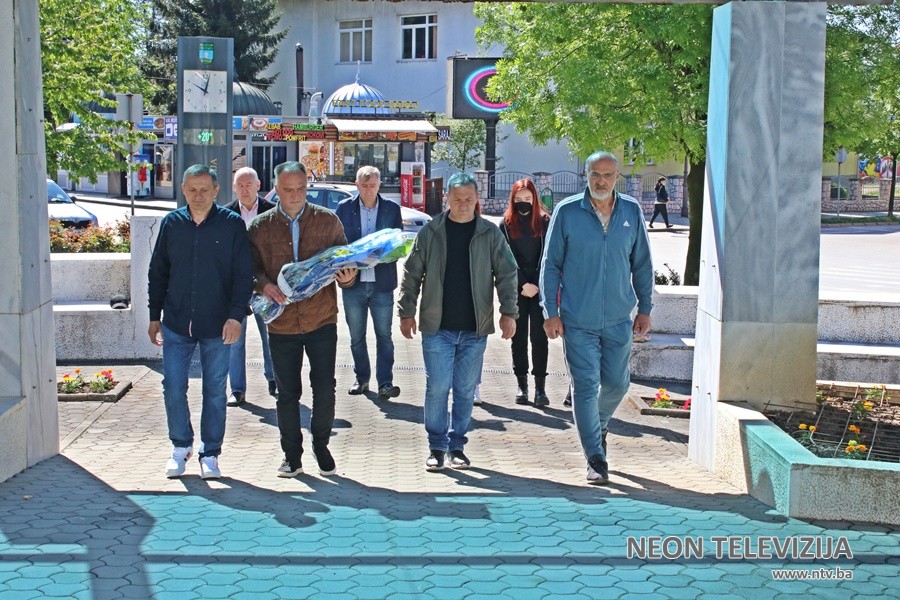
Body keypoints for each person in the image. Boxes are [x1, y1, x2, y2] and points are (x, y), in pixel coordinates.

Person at [540, 151, 654, 485]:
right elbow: (551, 265)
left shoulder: (631, 211)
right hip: (577, 319)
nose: (600, 181)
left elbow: (642, 264)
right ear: (586, 176)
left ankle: (597, 426)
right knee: (586, 386)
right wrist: (551, 312)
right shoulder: (567, 212)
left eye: (607, 175)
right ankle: (595, 457)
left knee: (618, 384)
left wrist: (645, 308)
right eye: (594, 174)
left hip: (619, 318)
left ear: (617, 177)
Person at [398, 172, 519, 472]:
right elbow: (412, 274)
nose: (463, 204)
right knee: (438, 387)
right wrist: (406, 312)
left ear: (477, 199)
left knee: (465, 390)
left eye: (468, 199)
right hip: (437, 327)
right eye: (457, 199)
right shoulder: (431, 232)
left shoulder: (489, 234)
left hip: (475, 328)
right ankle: (437, 447)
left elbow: (507, 274)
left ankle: (457, 446)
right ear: (447, 199)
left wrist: (509, 312)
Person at [248, 161, 357, 478]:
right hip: (281, 323)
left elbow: (345, 262)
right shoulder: (260, 227)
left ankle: (321, 446)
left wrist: (348, 278)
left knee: (324, 389)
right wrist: (264, 285)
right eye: (288, 190)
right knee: (287, 394)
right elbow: (249, 268)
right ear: (276, 190)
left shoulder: (327, 221)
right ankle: (291, 456)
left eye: (300, 188)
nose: (295, 195)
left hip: (321, 319)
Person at [148, 164, 253, 480]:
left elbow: (243, 276)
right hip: (176, 322)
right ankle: (181, 446)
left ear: (216, 191)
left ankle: (210, 453)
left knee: (215, 391)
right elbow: (158, 272)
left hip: (218, 325)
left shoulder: (232, 224)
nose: (198, 195)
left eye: (204, 189)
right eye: (192, 189)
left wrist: (236, 316)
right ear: (183, 189)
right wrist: (154, 316)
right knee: (172, 387)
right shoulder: (172, 224)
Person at [335, 166, 404, 400]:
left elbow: (398, 243)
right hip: (352, 284)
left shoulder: (392, 209)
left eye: (372, 185)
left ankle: (385, 383)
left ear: (379, 185)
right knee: (356, 336)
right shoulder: (344, 209)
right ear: (356, 185)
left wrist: (384, 253)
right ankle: (361, 379)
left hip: (382, 284)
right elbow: (337, 243)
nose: (368, 189)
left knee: (384, 335)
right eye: (364, 185)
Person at [224, 167, 277, 406]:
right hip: (235, 287)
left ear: (258, 186)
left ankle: (274, 379)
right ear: (234, 187)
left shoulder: (272, 212)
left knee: (271, 336)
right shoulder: (224, 214)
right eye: (240, 185)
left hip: (265, 285)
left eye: (249, 185)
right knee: (234, 339)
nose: (244, 190)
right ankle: (237, 390)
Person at [499, 179, 552, 407]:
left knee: (539, 338)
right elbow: (505, 258)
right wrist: (522, 283)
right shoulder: (506, 224)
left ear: (535, 199)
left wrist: (535, 283)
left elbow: (548, 256)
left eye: (528, 199)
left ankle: (540, 388)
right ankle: (522, 386)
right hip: (516, 288)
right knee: (518, 338)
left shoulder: (545, 222)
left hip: (539, 288)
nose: (523, 203)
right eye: (519, 199)